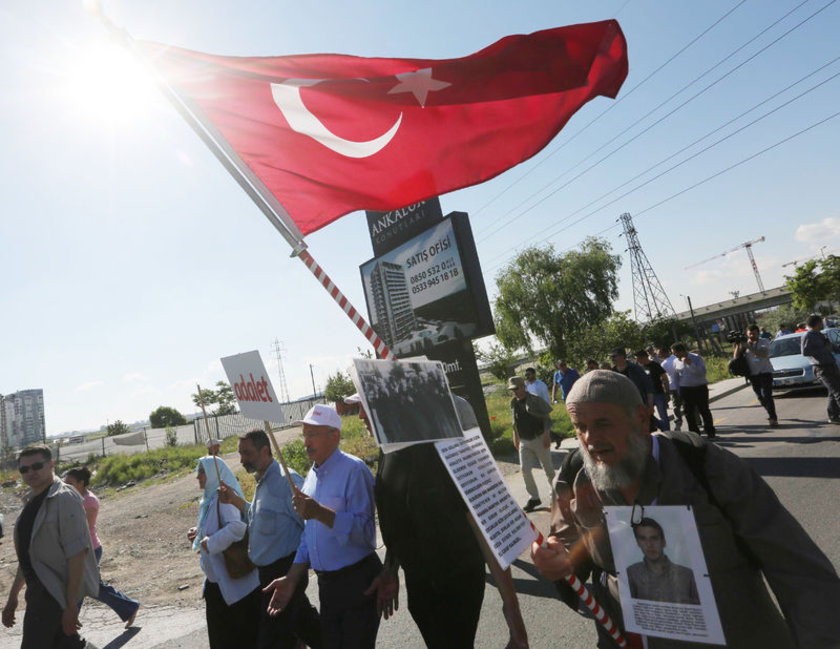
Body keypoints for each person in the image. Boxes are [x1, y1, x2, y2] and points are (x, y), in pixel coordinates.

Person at [530, 370, 840, 649]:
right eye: (580, 427)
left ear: (641, 418)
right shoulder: (576, 479)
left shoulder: (705, 467)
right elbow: (568, 550)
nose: (590, 439)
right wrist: (556, 560)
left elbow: (798, 570)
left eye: (603, 423)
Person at [353, 392, 529, 649]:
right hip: (420, 587)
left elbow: (484, 524)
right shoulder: (388, 450)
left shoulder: (443, 448)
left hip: (456, 582)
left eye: (365, 405)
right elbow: (399, 517)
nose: (360, 415)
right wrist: (390, 568)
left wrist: (511, 609)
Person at [263, 405, 381, 649]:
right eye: (305, 435)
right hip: (328, 587)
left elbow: (366, 533)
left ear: (334, 435)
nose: (306, 442)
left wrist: (319, 512)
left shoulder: (354, 470)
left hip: (357, 581)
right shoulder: (311, 477)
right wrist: (292, 578)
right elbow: (310, 536)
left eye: (313, 434)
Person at [219, 429, 321, 649]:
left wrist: (295, 574)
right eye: (240, 453)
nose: (242, 460)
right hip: (267, 575)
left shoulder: (287, 482)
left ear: (265, 450)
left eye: (247, 453)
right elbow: (260, 520)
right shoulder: (263, 481)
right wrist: (235, 500)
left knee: (272, 640)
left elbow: (311, 527)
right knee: (308, 627)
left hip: (285, 572)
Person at [2, 445, 99, 649]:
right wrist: (13, 597)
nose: (31, 472)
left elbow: (77, 554)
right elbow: (29, 557)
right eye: (24, 469)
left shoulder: (65, 497)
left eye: (37, 466)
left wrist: (71, 605)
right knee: (67, 644)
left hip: (51, 594)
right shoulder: (31, 501)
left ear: (51, 464)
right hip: (37, 591)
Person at [188, 457, 260, 649]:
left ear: (214, 474)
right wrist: (198, 533)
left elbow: (237, 527)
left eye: (202, 472)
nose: (198, 477)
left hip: (236, 587)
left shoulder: (224, 499)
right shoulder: (210, 500)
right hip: (217, 586)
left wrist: (211, 543)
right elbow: (215, 526)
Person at [64, 467, 140, 628]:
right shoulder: (72, 498)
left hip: (88, 550)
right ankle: (69, 623)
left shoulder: (89, 501)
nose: (65, 486)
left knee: (87, 586)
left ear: (81, 483)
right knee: (82, 586)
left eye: (69, 483)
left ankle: (68, 624)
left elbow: (82, 528)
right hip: (78, 549)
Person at [626, 518, 699, 605]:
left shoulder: (687, 575)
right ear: (638, 543)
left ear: (663, 542)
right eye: (643, 539)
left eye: (654, 538)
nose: (649, 544)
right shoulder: (631, 574)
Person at [509, 376, 554, 512]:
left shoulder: (535, 399)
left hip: (539, 437)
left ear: (524, 387)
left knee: (548, 469)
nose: (515, 392)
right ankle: (534, 498)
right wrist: (515, 437)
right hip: (524, 440)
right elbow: (514, 422)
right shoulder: (513, 402)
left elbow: (547, 419)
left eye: (517, 388)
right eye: (512, 389)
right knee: (525, 469)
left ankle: (555, 496)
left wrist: (546, 435)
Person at [734, 324, 778, 427]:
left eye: (754, 334)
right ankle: (770, 412)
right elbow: (736, 358)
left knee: (767, 395)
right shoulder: (745, 344)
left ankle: (773, 418)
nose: (751, 336)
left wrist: (749, 347)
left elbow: (764, 354)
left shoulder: (764, 341)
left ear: (758, 333)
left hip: (765, 372)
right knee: (761, 398)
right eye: (750, 334)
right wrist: (738, 345)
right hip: (753, 374)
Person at [671, 342, 716, 439]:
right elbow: (676, 378)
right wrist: (678, 391)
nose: (675, 355)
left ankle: (710, 432)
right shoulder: (675, 361)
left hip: (699, 388)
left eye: (675, 353)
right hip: (685, 389)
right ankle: (695, 434)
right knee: (688, 412)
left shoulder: (696, 358)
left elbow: (701, 373)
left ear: (682, 351)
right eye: (673, 353)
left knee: (704, 410)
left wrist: (690, 364)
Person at [801, 313, 840, 424]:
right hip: (822, 368)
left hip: (831, 365)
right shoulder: (808, 336)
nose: (823, 324)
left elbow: (831, 347)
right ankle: (833, 416)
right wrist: (825, 349)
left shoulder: (820, 334)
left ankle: (833, 416)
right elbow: (805, 352)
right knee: (838, 392)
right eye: (821, 322)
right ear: (818, 323)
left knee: (833, 392)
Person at [610, 348, 654, 417]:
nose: (612, 359)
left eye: (614, 356)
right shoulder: (612, 373)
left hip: (640, 405)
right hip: (623, 409)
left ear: (622, 356)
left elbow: (648, 386)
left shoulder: (636, 368)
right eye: (611, 357)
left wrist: (650, 404)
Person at [634, 350, 669, 431]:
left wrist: (667, 392)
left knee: (663, 415)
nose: (636, 361)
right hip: (647, 396)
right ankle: (661, 426)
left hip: (658, 393)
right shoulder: (639, 368)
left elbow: (665, 378)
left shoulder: (655, 365)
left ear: (643, 357)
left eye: (637, 358)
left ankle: (667, 431)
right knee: (648, 414)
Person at [658, 346, 683, 432]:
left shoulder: (664, 364)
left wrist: (665, 389)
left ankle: (678, 422)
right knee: (688, 404)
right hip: (683, 385)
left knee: (676, 406)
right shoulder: (676, 358)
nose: (659, 356)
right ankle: (697, 420)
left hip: (673, 387)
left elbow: (663, 378)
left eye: (660, 354)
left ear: (665, 353)